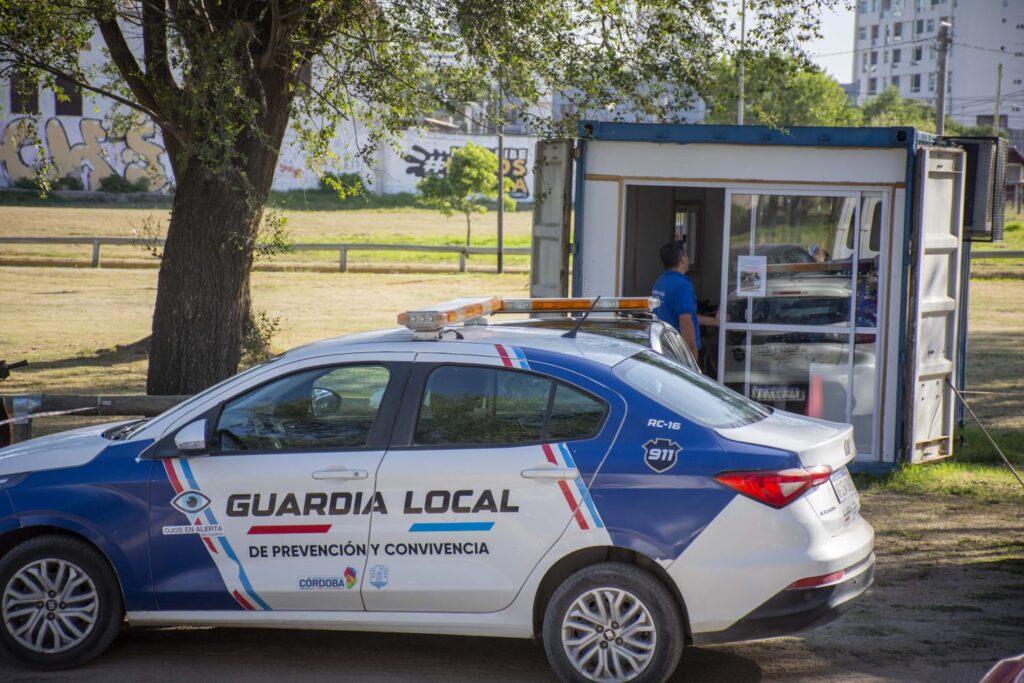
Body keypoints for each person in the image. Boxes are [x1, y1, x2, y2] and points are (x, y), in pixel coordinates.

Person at [652, 240, 718, 358]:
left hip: (663, 346)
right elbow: (685, 322)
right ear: (682, 258)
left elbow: (685, 315)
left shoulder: (661, 282)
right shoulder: (682, 285)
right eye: (686, 255)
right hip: (679, 351)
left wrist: (714, 321)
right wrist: (691, 352)